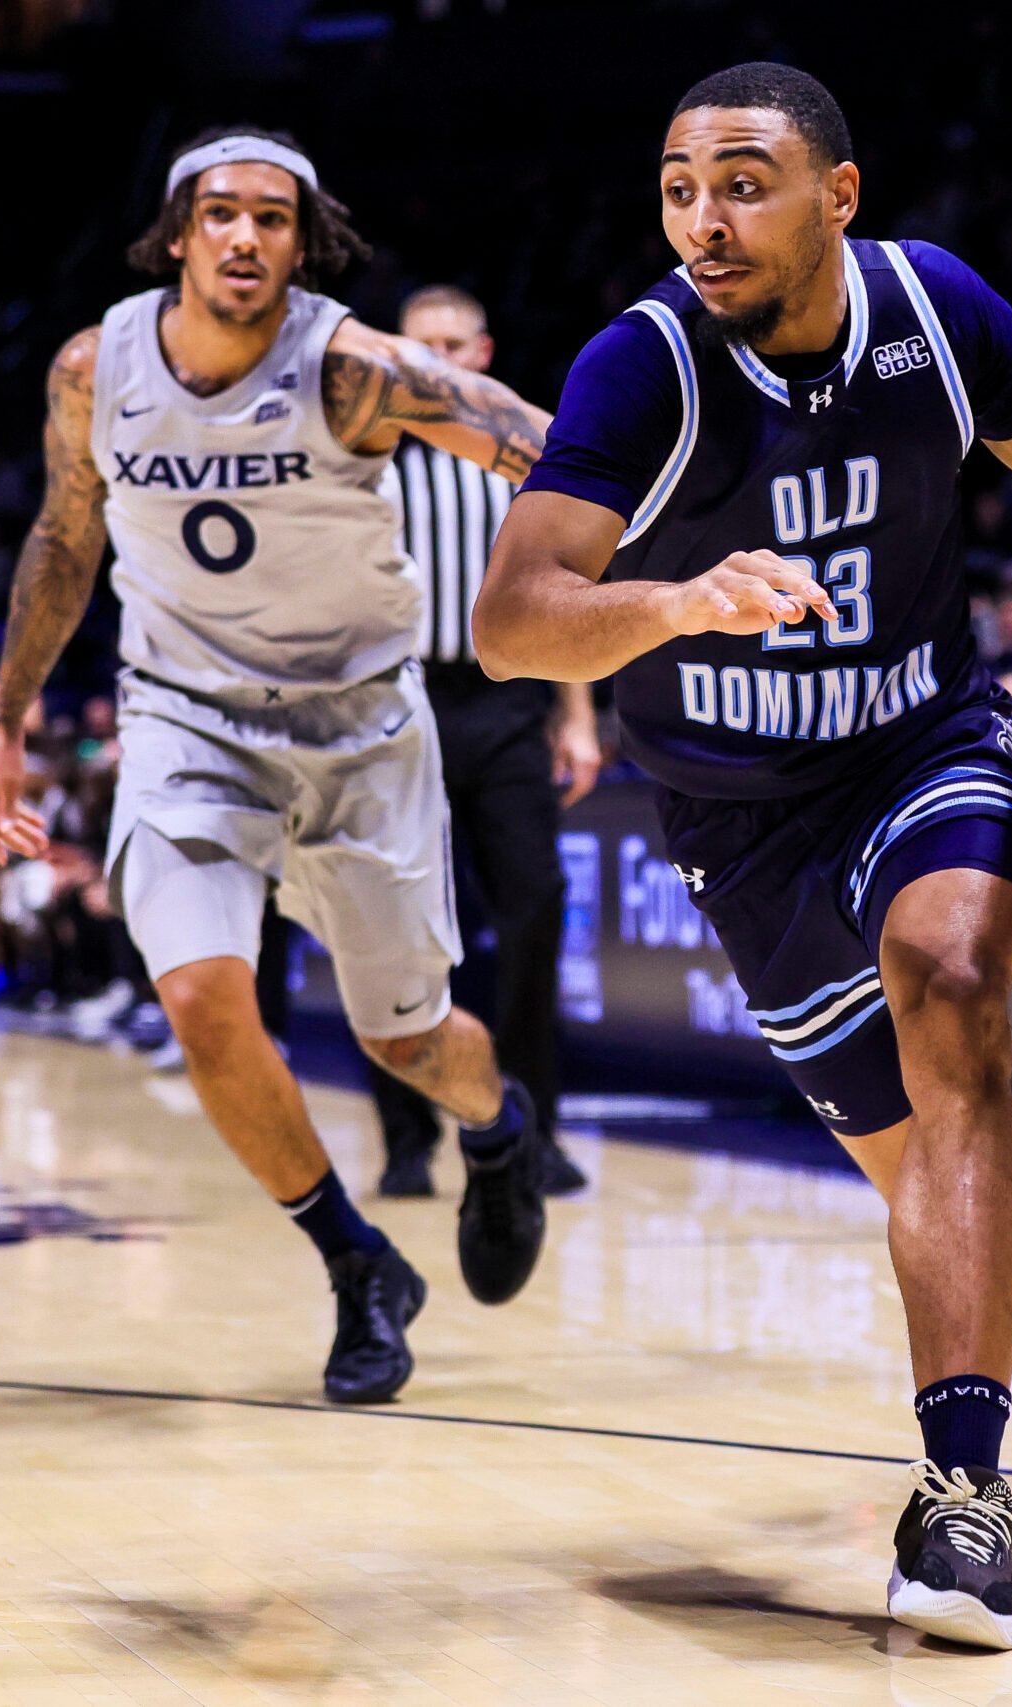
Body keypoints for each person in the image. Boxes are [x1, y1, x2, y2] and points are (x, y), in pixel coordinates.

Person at [474, 64, 1012, 1651]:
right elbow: (514, 618)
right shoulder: (642, 369)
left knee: (957, 974)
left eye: (744, 182)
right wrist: (677, 600)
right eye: (678, 186)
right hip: (741, 819)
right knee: (945, 1161)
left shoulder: (937, 310)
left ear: (838, 196)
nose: (704, 218)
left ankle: (964, 1503)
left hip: (927, 745)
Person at [0, 127, 561, 1411]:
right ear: (178, 233)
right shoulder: (95, 367)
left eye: (275, 219)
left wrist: (698, 554)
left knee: (406, 1042)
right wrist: (6, 721)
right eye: (222, 215)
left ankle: (499, 1129)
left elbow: (550, 455)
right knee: (199, 998)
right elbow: (67, 538)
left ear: (306, 241)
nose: (247, 237)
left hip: (358, 722)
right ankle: (356, 1263)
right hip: (188, 719)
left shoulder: (355, 367)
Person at [367, 284, 596, 1200]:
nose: (437, 361)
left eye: (455, 345)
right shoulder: (365, 456)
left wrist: (576, 716)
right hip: (394, 704)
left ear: (485, 352)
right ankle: (408, 1137)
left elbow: (568, 583)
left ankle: (533, 1125)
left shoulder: (518, 459)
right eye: (421, 346)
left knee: (536, 902)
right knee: (400, 926)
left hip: (504, 702)